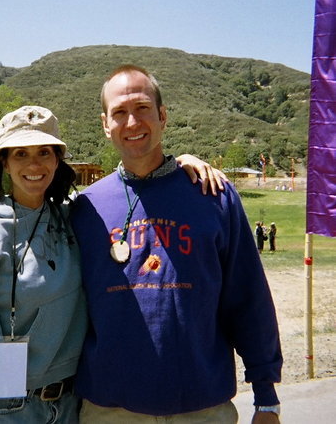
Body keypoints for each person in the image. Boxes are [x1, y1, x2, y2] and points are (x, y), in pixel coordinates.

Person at [0, 105, 227, 423]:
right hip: (8, 408)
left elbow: (132, 189)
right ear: (3, 162)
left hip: (72, 404)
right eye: (20, 153)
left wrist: (179, 165)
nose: (34, 164)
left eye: (44, 152)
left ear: (57, 159)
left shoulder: (75, 217)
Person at [71, 65, 282, 423]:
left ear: (163, 115)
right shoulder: (84, 208)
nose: (132, 122)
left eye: (142, 108)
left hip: (202, 404)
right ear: (105, 124)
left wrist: (266, 397)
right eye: (119, 113)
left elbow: (247, 298)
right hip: (110, 408)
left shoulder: (213, 196)